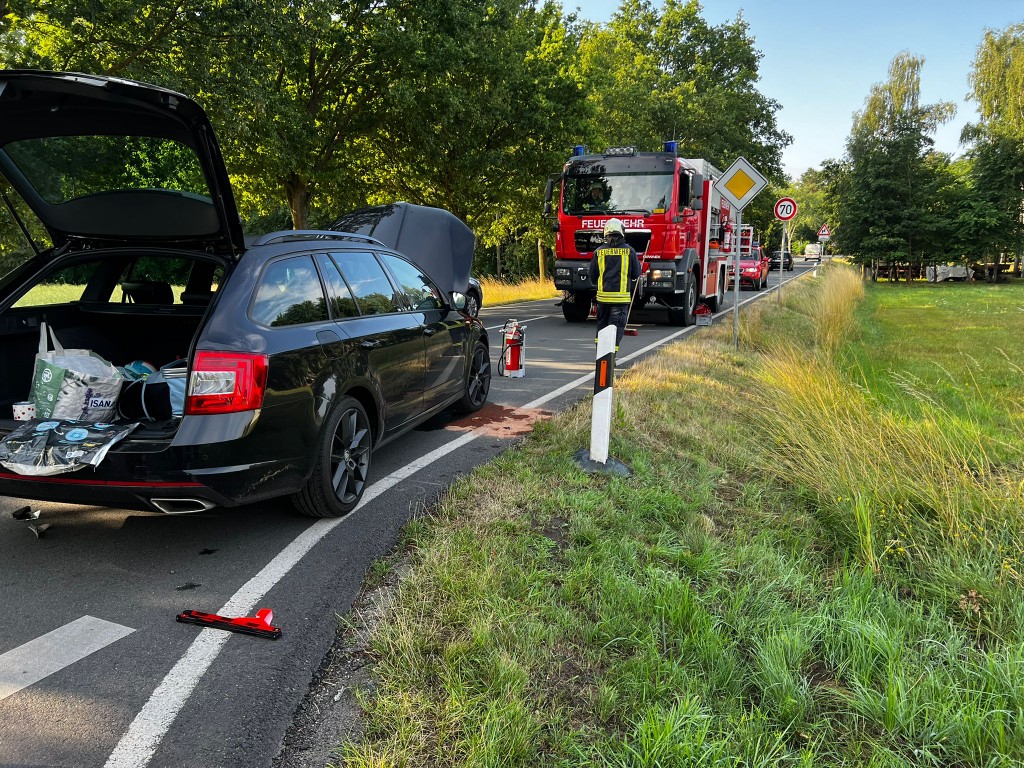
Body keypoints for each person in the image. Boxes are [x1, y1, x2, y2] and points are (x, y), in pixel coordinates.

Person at [589, 218, 641, 351]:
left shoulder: (598, 252)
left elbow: (592, 276)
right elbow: (636, 274)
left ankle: (600, 355)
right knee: (616, 327)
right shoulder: (629, 251)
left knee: (602, 326)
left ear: (606, 233)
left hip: (602, 299)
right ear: (621, 232)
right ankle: (611, 357)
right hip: (620, 299)